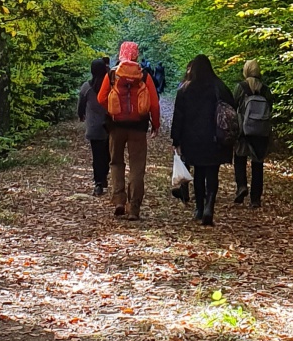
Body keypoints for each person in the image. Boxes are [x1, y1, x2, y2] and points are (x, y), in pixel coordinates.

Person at [97, 41, 160, 220]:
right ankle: (134, 207)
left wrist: (112, 109)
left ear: (121, 53)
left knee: (116, 162)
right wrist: (155, 124)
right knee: (137, 167)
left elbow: (101, 98)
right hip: (139, 128)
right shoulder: (144, 75)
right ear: (136, 54)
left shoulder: (112, 74)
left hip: (116, 127)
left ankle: (118, 200)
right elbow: (154, 104)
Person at [171, 54, 236, 227]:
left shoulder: (185, 89)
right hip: (214, 138)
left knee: (198, 173)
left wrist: (176, 139)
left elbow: (179, 116)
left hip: (192, 139)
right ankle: (209, 207)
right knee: (212, 173)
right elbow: (231, 109)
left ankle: (199, 208)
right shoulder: (219, 87)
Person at [234, 60, 274, 209]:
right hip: (261, 131)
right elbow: (270, 107)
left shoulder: (241, 87)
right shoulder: (265, 89)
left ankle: (242, 186)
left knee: (239, 158)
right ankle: (255, 199)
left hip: (244, 130)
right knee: (258, 164)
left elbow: (233, 105)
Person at [77, 57, 111, 195]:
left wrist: (81, 115)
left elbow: (81, 104)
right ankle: (103, 177)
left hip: (93, 127)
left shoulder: (87, 86)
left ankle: (98, 182)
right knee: (107, 155)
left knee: (97, 156)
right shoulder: (110, 85)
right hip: (109, 125)